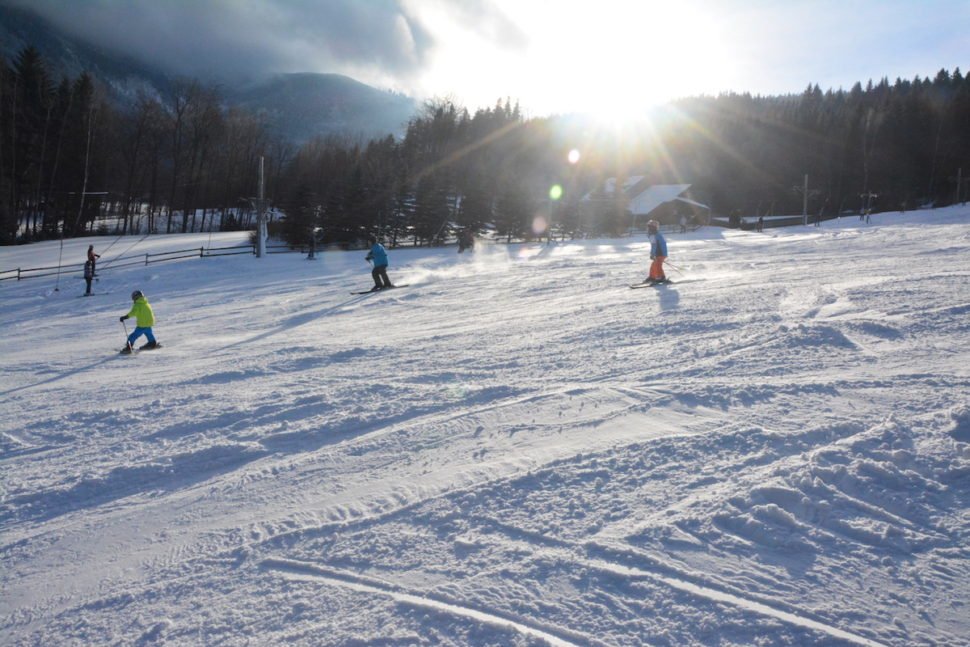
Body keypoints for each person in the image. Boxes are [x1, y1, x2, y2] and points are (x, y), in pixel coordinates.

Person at [646, 220, 668, 284]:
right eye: (648, 227)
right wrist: (653, 254)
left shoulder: (655, 235)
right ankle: (652, 277)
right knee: (653, 265)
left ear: (654, 227)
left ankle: (661, 277)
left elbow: (654, 245)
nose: (649, 228)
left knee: (658, 265)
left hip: (661, 253)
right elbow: (654, 245)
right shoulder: (655, 234)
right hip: (659, 253)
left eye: (650, 227)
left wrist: (652, 254)